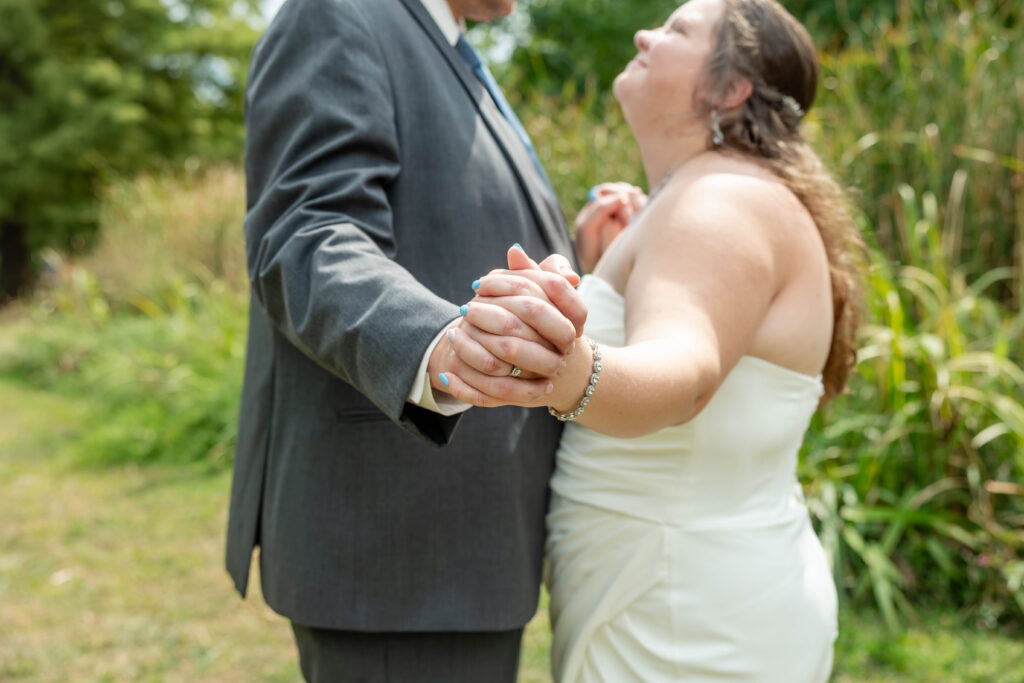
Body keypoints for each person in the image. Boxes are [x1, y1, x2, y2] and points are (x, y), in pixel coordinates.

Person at [442, 0, 863, 680]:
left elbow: (687, 371)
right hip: (675, 588)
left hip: (681, 613)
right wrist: (602, 270)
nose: (645, 33)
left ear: (729, 91)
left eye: (676, 30)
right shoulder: (706, 196)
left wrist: (566, 365)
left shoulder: (718, 201)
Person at [224, 0, 595, 680]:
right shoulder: (337, 14)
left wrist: (579, 249)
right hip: (399, 554)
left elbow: (456, 228)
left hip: (461, 546)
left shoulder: (451, 50)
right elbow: (308, 234)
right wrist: (437, 344)